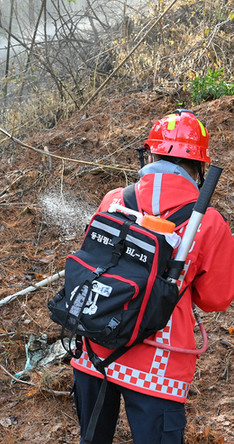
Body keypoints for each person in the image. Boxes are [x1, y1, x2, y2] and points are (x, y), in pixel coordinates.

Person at [71, 109, 234, 444]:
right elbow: (216, 299)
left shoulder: (114, 199)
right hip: (159, 365)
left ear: (151, 153)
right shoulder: (208, 221)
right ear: (200, 165)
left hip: (95, 345)